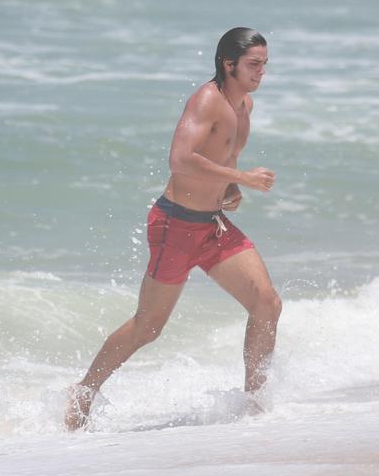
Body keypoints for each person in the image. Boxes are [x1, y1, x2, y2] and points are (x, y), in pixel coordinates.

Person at [64, 27, 281, 431]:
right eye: (253, 64)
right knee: (148, 326)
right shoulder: (207, 100)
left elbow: (218, 156)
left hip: (212, 226)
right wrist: (243, 177)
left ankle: (257, 408)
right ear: (228, 64)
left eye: (264, 64)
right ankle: (83, 392)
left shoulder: (244, 106)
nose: (261, 72)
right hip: (176, 225)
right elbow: (180, 159)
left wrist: (230, 187)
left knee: (266, 302)